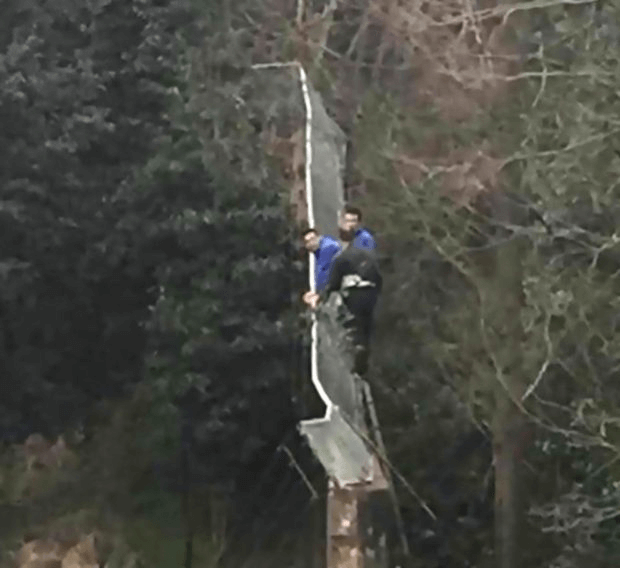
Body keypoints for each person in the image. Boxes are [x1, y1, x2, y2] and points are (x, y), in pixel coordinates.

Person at [304, 224, 382, 377]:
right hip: (371, 294)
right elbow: (378, 277)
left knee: (354, 325)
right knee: (366, 328)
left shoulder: (341, 259)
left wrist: (318, 297)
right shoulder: (367, 255)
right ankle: (363, 367)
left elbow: (333, 284)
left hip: (355, 295)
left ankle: (355, 362)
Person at [301, 227, 342, 293]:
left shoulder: (326, 247)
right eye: (307, 242)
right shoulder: (318, 251)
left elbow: (322, 273)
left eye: (313, 239)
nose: (311, 243)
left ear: (318, 237)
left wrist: (320, 294)